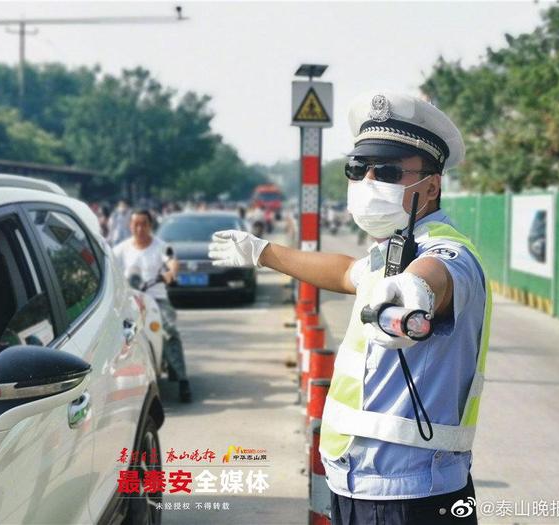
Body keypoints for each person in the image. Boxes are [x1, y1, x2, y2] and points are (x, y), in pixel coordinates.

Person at [209, 92, 490, 525]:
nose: (368, 181)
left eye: (389, 171)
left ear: (431, 185)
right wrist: (262, 252)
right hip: (358, 481)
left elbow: (438, 275)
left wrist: (414, 291)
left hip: (410, 493)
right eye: (359, 169)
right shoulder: (390, 251)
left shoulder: (447, 253)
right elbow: (345, 273)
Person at [113, 209, 192, 403]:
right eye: (136, 224)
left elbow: (173, 261)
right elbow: (109, 266)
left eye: (144, 224)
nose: (139, 228)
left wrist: (170, 273)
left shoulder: (161, 247)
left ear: (150, 225)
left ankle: (183, 379)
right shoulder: (121, 249)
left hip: (157, 300)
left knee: (169, 331)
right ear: (129, 226)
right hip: (129, 300)